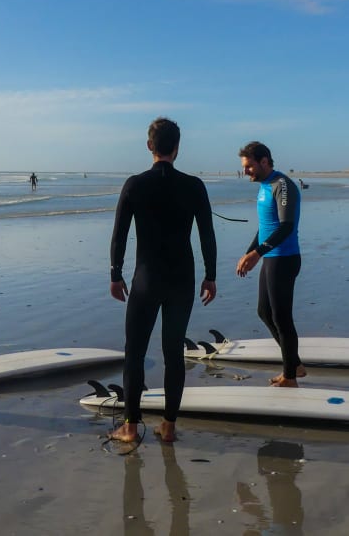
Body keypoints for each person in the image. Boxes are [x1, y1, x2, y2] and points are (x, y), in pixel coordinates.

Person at [109, 118, 217, 443]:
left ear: (149, 146)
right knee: (173, 354)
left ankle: (130, 426)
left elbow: (120, 235)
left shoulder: (134, 184)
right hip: (182, 279)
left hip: (146, 279)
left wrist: (116, 274)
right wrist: (211, 276)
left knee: (135, 353)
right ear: (177, 147)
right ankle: (168, 426)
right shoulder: (194, 186)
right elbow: (207, 235)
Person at [236, 142, 303, 387]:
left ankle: (291, 376)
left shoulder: (282, 185)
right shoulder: (265, 186)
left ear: (264, 161)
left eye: (250, 166)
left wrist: (257, 254)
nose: (246, 171)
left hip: (284, 258)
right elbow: (266, 226)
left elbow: (285, 226)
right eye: (245, 167)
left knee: (282, 317)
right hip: (271, 258)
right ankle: (294, 364)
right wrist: (250, 252)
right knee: (264, 312)